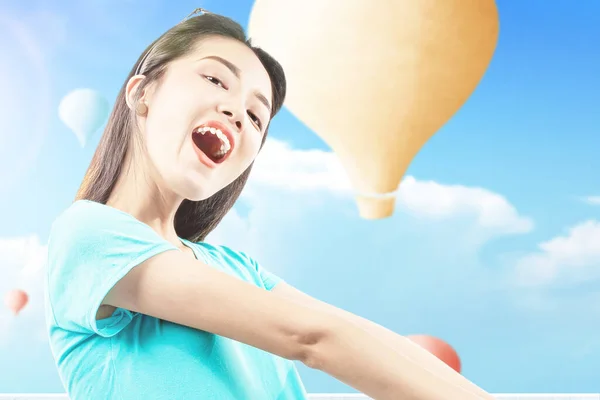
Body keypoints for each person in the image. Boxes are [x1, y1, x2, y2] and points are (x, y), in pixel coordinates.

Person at [44, 9, 494, 400]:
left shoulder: (237, 268)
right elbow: (313, 338)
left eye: (257, 116)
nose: (238, 113)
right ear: (143, 92)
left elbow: (373, 341)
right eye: (215, 79)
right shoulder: (89, 234)